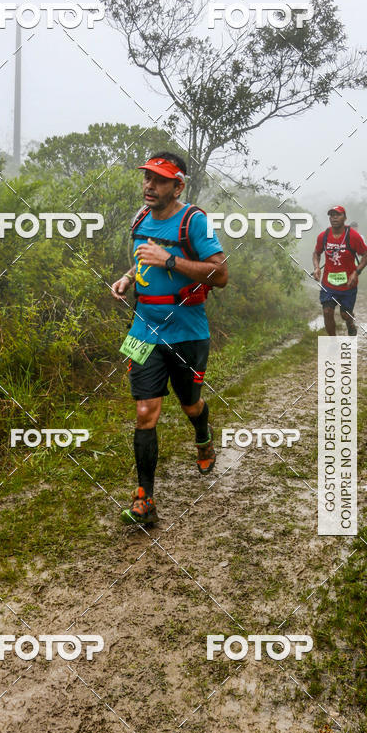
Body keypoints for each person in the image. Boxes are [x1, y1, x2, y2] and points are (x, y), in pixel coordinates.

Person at [111, 151, 229, 525]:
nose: (149, 185)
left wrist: (171, 261)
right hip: (143, 328)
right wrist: (129, 278)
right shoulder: (140, 218)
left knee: (190, 403)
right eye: (147, 177)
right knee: (145, 413)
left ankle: (203, 434)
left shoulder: (196, 221)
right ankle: (144, 498)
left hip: (188, 332)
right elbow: (143, 257)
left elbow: (221, 274)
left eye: (159, 180)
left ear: (178, 186)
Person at [312, 205, 367, 336]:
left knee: (345, 315)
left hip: (348, 285)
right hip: (329, 284)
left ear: (345, 218)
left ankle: (350, 322)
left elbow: (366, 255)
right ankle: (333, 343)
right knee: (327, 312)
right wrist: (316, 267)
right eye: (331, 215)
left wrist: (356, 272)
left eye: (337, 215)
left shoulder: (353, 236)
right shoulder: (324, 236)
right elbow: (316, 253)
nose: (334, 218)